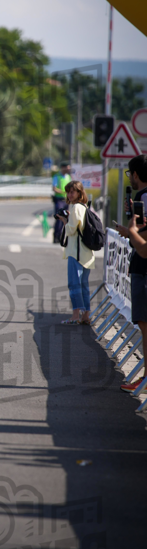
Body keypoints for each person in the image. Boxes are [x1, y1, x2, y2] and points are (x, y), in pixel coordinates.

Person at [112, 154, 147, 392]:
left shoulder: (144, 196)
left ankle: (146, 380)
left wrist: (129, 232)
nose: (130, 179)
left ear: (135, 174)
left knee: (145, 325)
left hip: (143, 268)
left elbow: (144, 238)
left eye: (130, 174)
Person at [56, 180, 94, 325]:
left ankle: (75, 315)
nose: (69, 195)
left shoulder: (76, 207)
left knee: (74, 284)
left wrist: (64, 220)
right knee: (83, 285)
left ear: (79, 193)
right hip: (86, 253)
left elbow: (71, 230)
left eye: (72, 192)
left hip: (76, 253)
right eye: (68, 192)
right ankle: (86, 315)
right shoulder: (85, 206)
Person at [52, 162, 72, 244]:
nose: (68, 169)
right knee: (59, 217)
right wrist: (63, 192)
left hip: (67, 200)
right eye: (67, 167)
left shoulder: (68, 177)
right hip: (59, 199)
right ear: (63, 168)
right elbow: (54, 188)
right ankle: (56, 236)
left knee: (66, 218)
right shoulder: (57, 176)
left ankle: (62, 236)